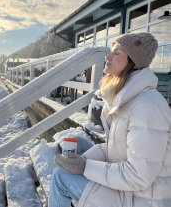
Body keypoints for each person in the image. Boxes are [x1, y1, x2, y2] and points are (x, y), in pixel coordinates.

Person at [48, 32, 171, 207]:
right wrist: (79, 162)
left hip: (140, 199)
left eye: (117, 52)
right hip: (128, 191)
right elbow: (115, 148)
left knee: (60, 178)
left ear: (133, 62)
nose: (108, 56)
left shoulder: (146, 107)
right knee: (79, 143)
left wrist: (85, 167)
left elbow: (138, 175)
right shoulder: (128, 97)